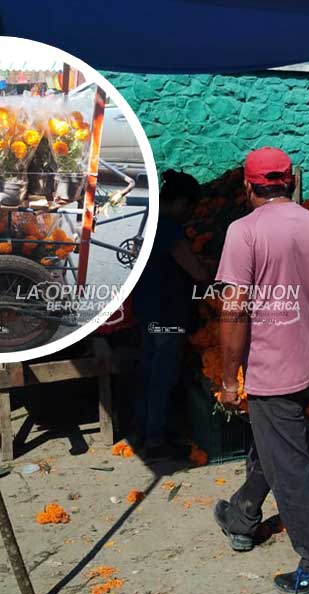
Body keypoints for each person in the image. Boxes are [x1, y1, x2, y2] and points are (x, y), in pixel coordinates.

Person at [212, 147, 309, 594]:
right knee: (278, 449)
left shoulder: (243, 232)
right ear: (292, 182)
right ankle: (243, 515)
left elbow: (233, 311)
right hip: (308, 363)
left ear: (248, 187)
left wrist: (229, 379)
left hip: (270, 372)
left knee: (289, 466)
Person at [131, 169, 210, 459]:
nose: (189, 215)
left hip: (148, 309)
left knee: (149, 371)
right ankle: (155, 439)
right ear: (182, 204)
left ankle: (145, 431)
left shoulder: (147, 220)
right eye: (189, 209)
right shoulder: (168, 229)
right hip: (166, 313)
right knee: (161, 374)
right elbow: (198, 272)